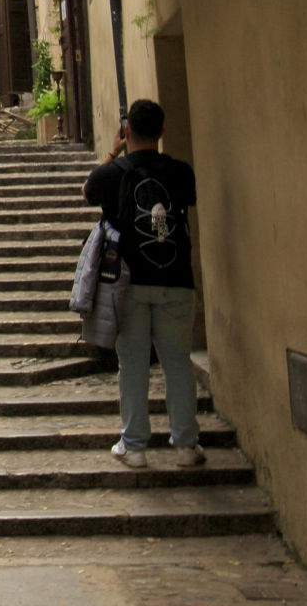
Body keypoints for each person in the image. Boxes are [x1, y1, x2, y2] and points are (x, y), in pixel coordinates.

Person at [82, 99, 203, 469]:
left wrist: (113, 151)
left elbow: (88, 189)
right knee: (178, 363)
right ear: (163, 132)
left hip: (128, 285)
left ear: (127, 130)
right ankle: (185, 445)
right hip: (177, 279)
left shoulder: (114, 172)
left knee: (132, 364)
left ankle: (134, 446)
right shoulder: (182, 172)